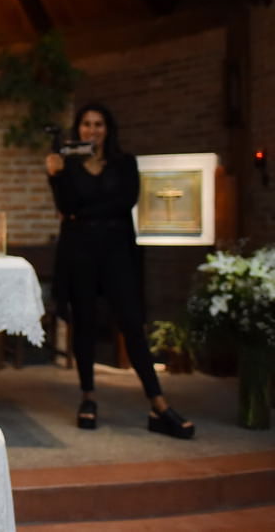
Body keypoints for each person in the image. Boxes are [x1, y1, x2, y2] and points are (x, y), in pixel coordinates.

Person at [46, 103, 194, 439]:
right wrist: (55, 177)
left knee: (131, 322)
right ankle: (88, 397)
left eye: (98, 124)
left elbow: (125, 200)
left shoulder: (125, 163)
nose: (92, 130)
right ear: (78, 129)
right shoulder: (65, 165)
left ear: (108, 129)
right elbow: (67, 206)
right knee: (83, 323)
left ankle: (158, 401)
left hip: (116, 253)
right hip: (80, 253)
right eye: (86, 124)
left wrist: (84, 213)